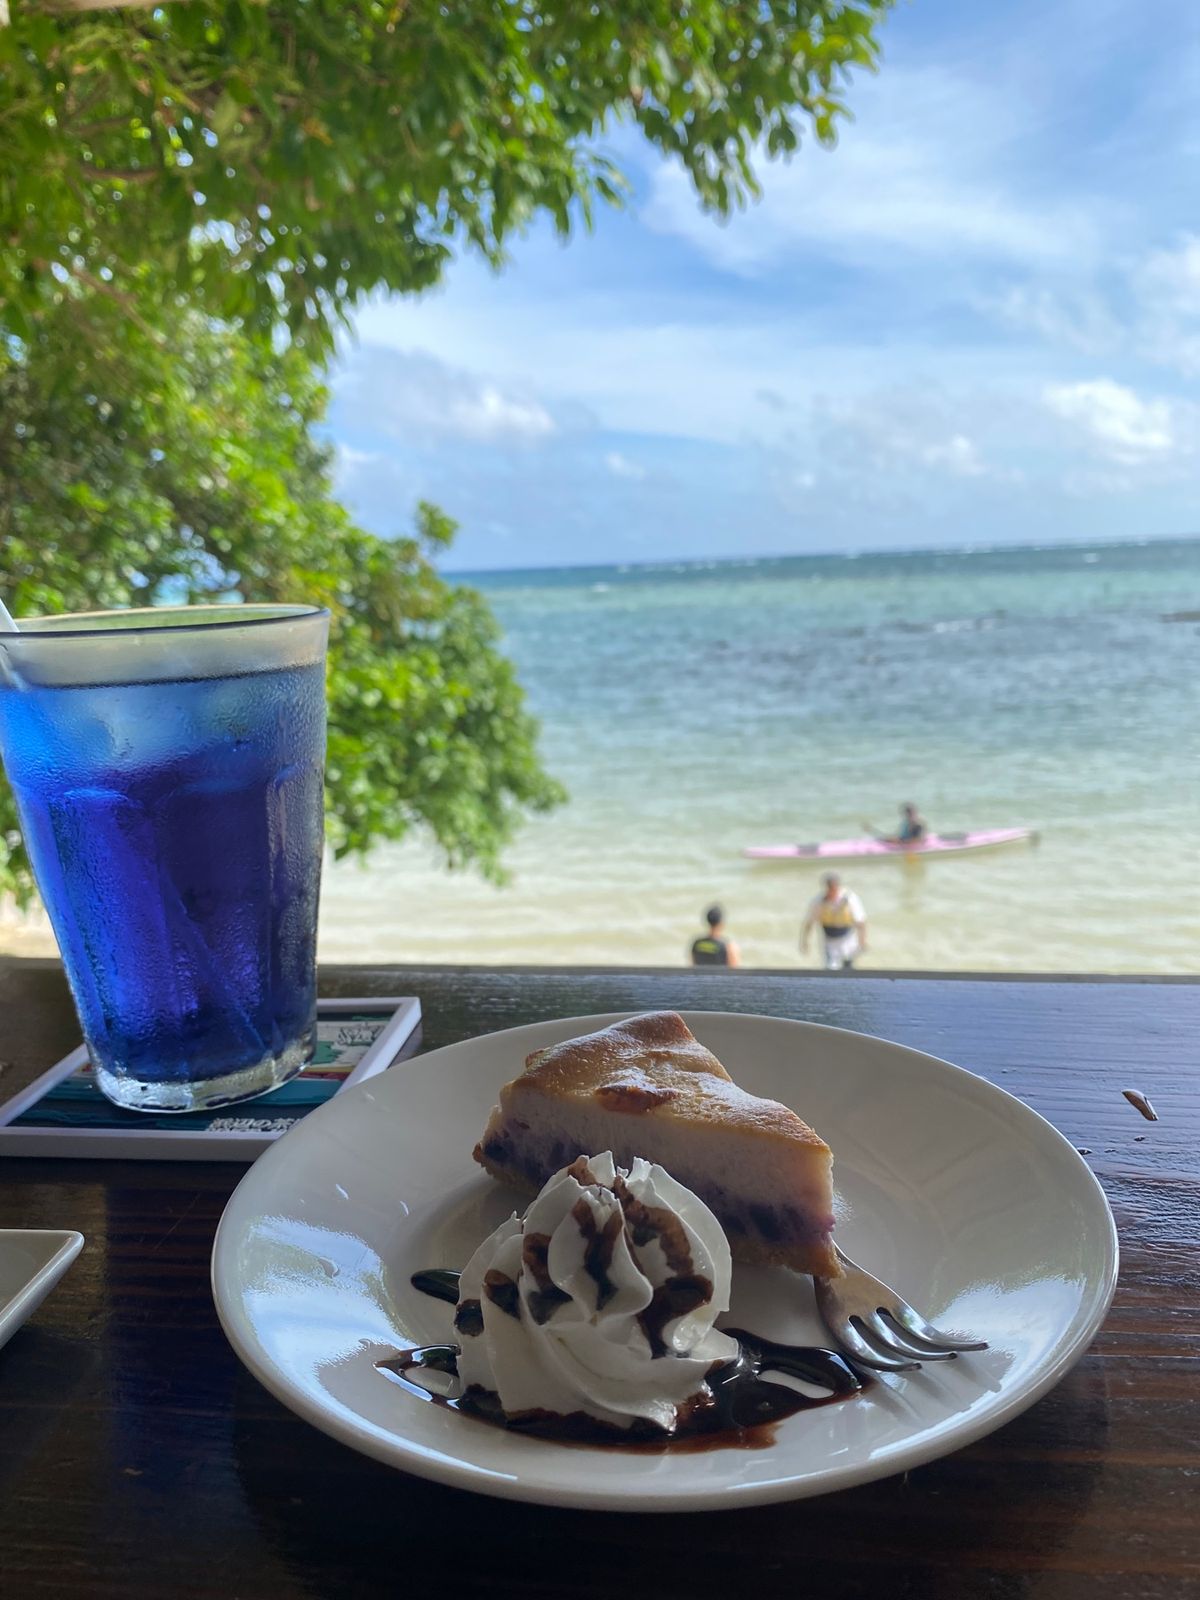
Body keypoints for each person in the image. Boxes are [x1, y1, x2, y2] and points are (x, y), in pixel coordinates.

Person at [801, 873, 867, 970]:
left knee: (848, 968)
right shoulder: (818, 901)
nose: (831, 891)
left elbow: (861, 922)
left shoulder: (850, 899)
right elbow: (809, 923)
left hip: (848, 939)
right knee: (830, 968)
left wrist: (862, 941)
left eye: (834, 888)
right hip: (829, 940)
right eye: (829, 888)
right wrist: (805, 942)